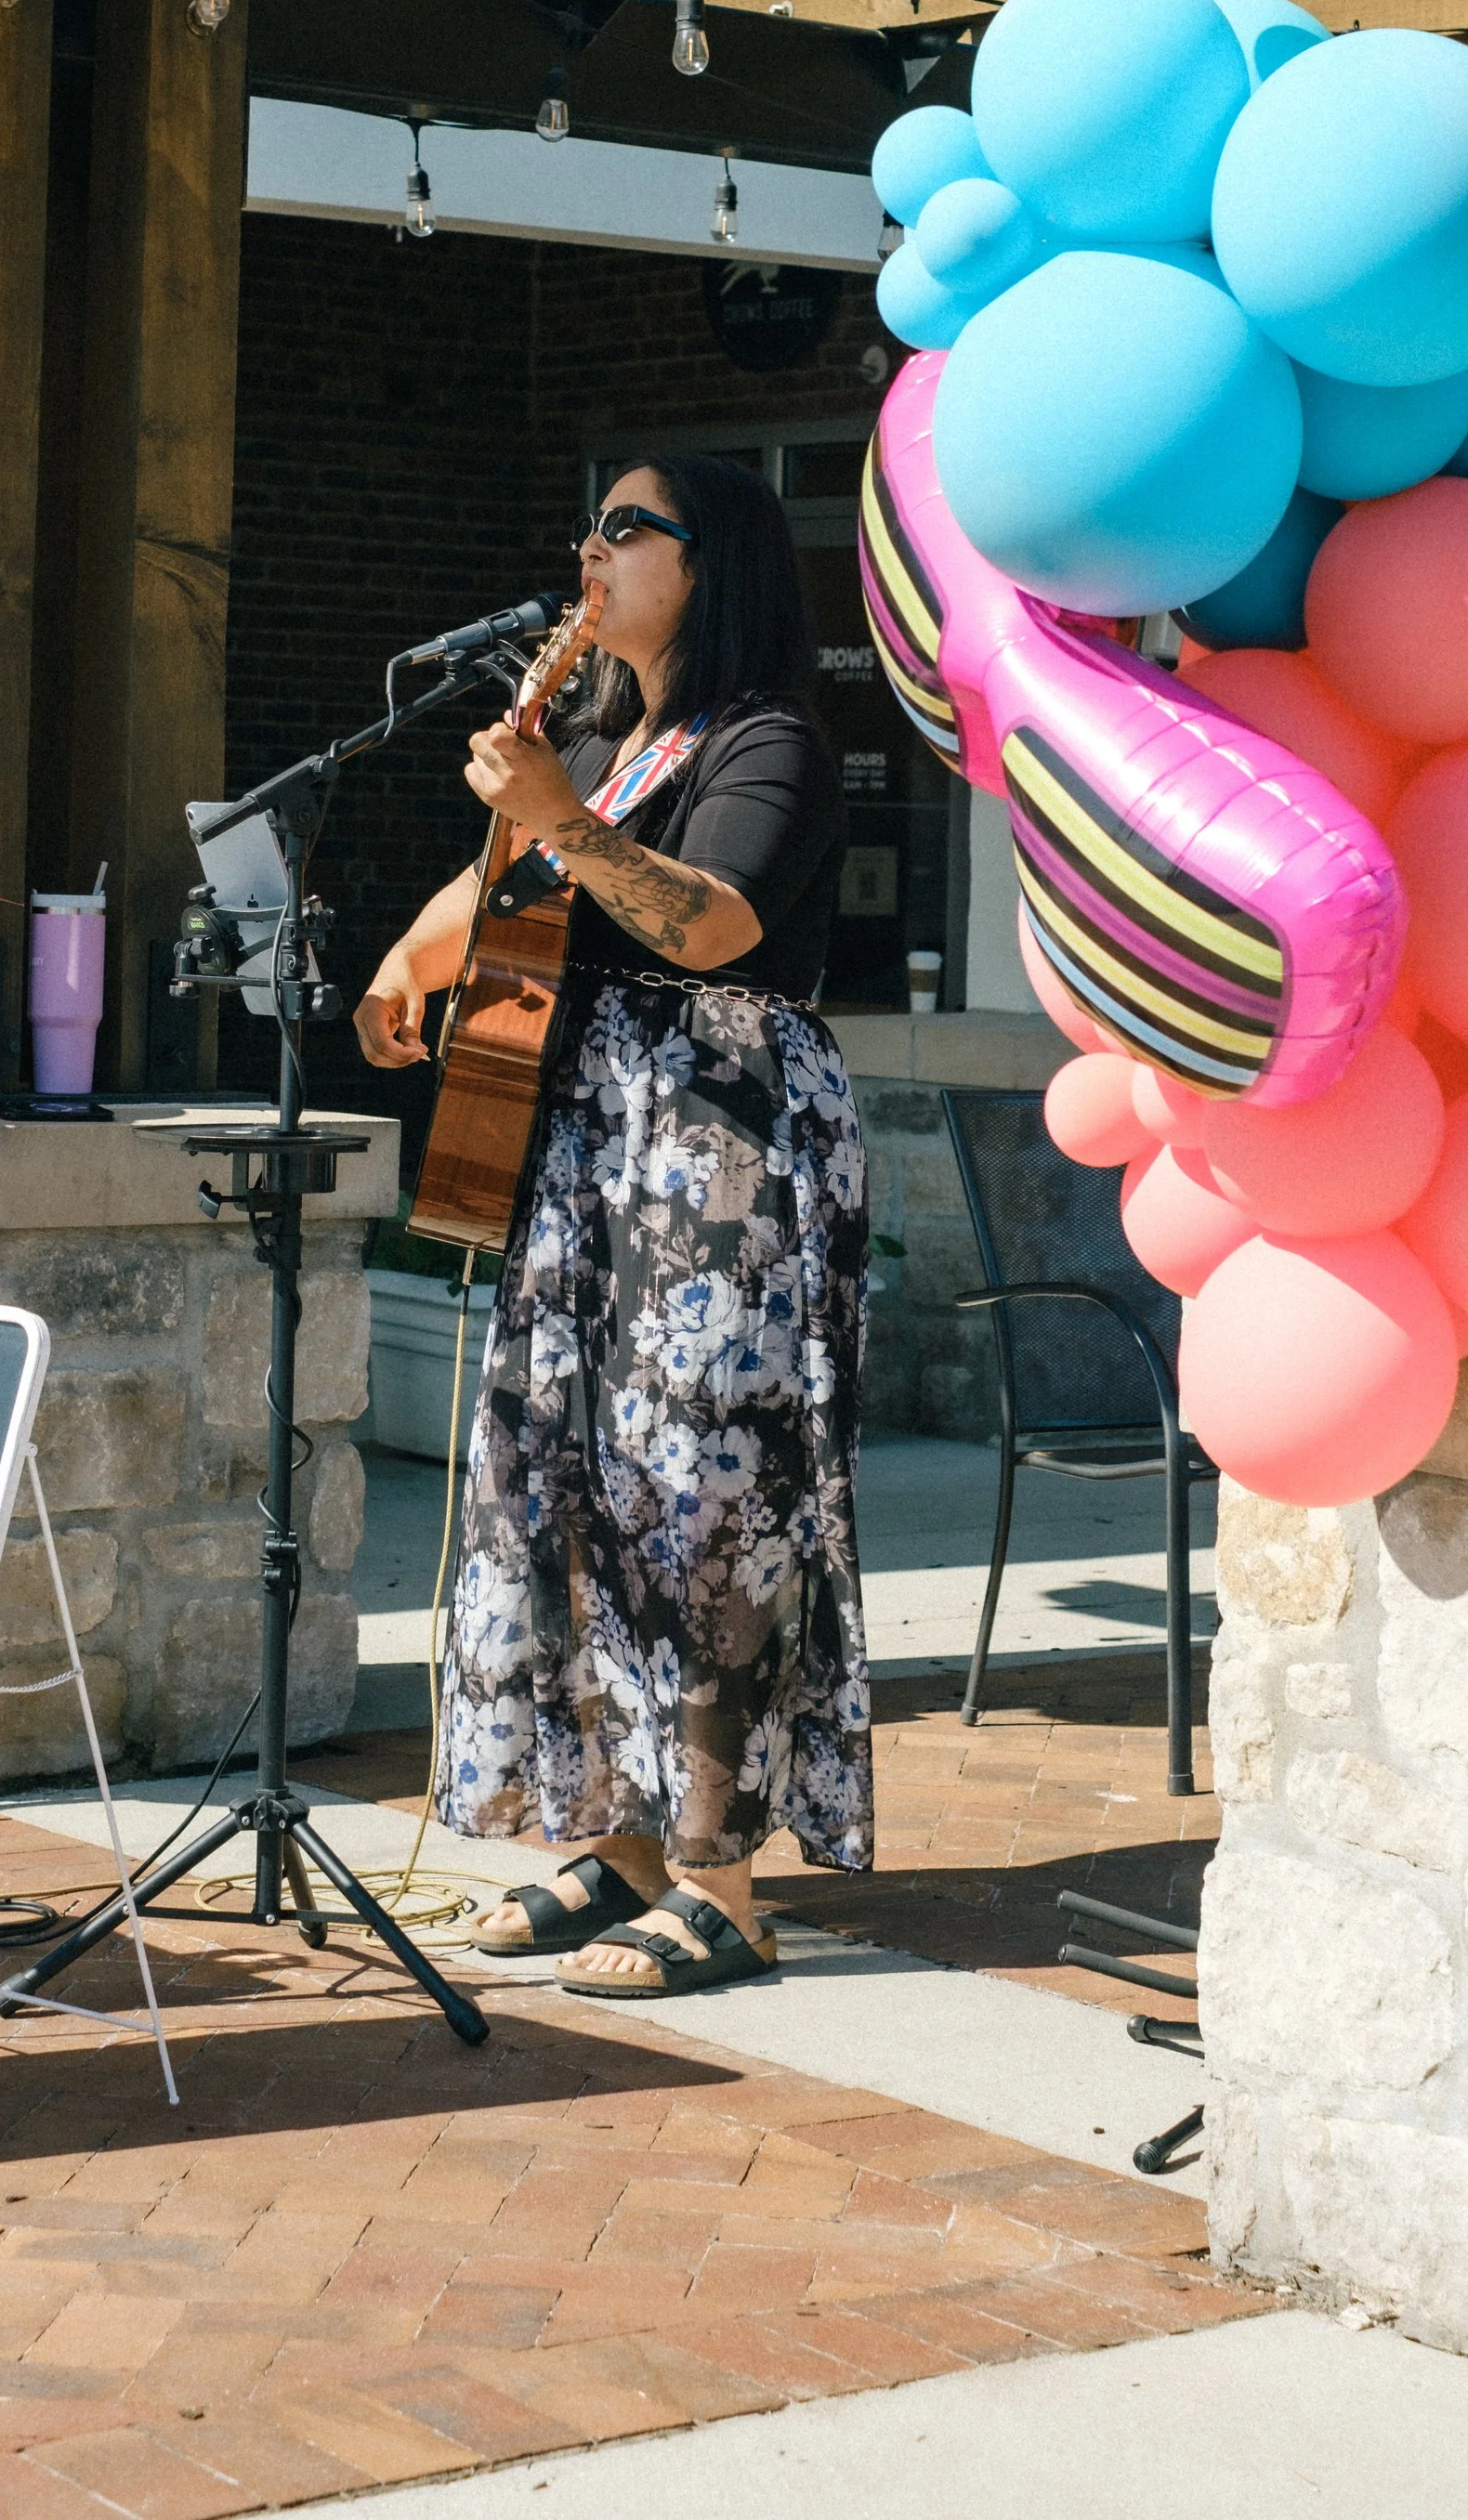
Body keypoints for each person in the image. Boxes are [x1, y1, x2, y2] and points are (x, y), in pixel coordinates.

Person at [354, 455, 872, 1999]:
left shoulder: (771, 736)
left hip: (722, 1155)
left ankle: (726, 1886)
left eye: (626, 528)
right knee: (573, 1480)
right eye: (588, 523)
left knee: (701, 1486)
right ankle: (629, 1841)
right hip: (591, 1155)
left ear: (707, 564)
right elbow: (496, 885)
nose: (590, 549)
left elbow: (712, 921)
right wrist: (409, 957)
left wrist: (561, 819)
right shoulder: (600, 737)